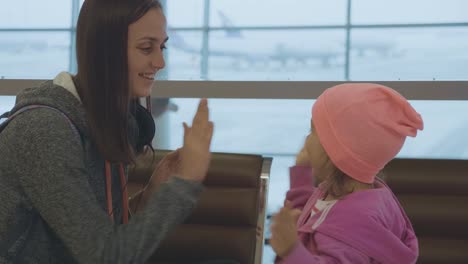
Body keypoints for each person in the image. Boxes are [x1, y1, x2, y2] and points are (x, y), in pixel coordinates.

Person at [0, 0, 214, 263]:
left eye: (162, 46)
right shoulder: (44, 133)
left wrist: (150, 196)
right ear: (104, 52)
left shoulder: (104, 121)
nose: (160, 61)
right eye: (146, 48)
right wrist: (185, 184)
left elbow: (102, 235)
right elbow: (106, 257)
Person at [270, 83, 423, 263]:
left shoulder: (354, 225)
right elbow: (311, 226)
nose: (306, 139)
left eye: (313, 131)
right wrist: (301, 179)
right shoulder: (342, 194)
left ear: (335, 151)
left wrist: (291, 250)